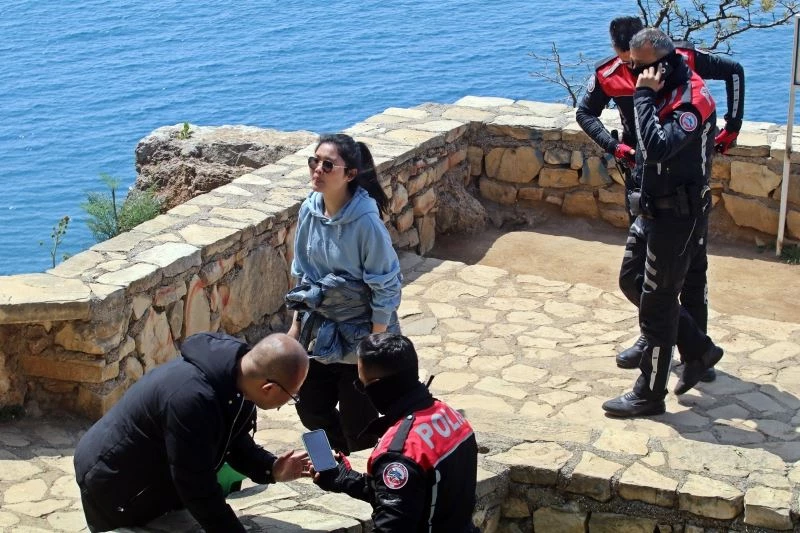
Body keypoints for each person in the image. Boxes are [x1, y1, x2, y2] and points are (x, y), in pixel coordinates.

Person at [576, 15, 744, 379]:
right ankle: (659, 340)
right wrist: (614, 146)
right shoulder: (609, 74)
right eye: (626, 62)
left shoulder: (682, 64)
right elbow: (584, 113)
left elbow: (733, 70)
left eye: (636, 62)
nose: (632, 69)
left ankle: (694, 350)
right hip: (642, 180)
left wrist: (733, 125)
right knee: (645, 275)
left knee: (690, 274)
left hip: (681, 179)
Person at [601, 28, 724, 417]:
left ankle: (649, 393)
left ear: (662, 64)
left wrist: (642, 95)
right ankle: (699, 349)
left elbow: (656, 147)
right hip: (651, 208)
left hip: (679, 216)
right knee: (631, 280)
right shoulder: (662, 89)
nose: (633, 72)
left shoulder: (693, 100)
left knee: (657, 304)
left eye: (638, 67)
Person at [73, 332, 310, 532]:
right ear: (268, 388)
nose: (290, 401)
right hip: (115, 481)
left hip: (156, 471)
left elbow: (233, 442)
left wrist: (272, 468)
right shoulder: (192, 400)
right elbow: (196, 485)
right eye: (293, 396)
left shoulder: (238, 379)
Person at [286, 133, 402, 455]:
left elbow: (387, 284)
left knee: (359, 427)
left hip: (361, 335)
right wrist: (296, 325)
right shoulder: (308, 212)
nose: (317, 170)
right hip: (319, 329)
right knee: (310, 409)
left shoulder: (366, 222)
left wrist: (374, 343)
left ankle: (351, 467)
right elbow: (304, 274)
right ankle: (332, 466)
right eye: (314, 162)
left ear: (350, 174)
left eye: (327, 165)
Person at [310, 333, 479, 533]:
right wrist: (344, 478)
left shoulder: (400, 452)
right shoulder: (450, 416)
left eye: (362, 385)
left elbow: (392, 524)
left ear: (377, 386)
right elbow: (409, 494)